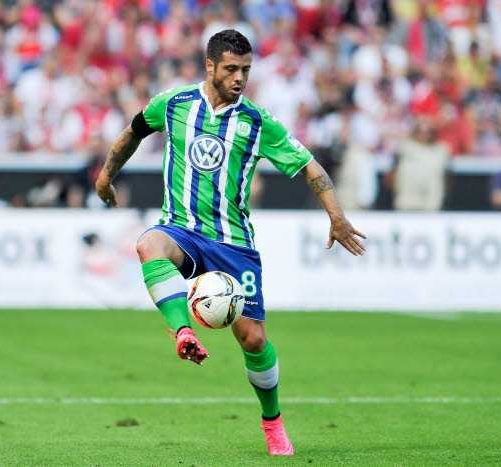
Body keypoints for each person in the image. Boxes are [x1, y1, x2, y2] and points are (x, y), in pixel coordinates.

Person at [95, 30, 366, 457]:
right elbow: (133, 132)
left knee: (254, 341)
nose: (239, 78)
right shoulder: (175, 103)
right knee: (148, 244)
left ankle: (272, 422)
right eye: (231, 69)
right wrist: (106, 177)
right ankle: (183, 330)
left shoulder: (257, 122)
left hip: (233, 243)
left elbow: (310, 166)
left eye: (245, 70)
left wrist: (337, 216)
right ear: (210, 67)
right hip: (182, 230)